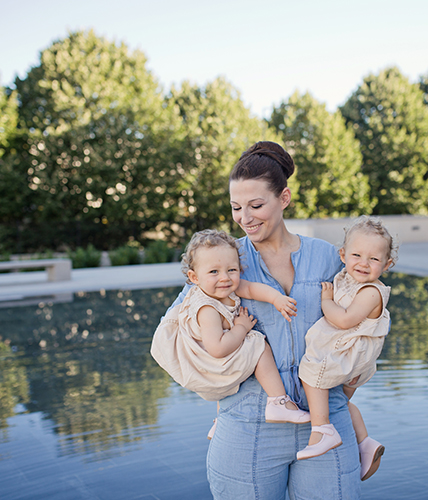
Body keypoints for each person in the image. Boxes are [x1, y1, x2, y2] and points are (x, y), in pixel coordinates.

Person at [163, 141, 361, 499]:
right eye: (236, 207)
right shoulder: (223, 259)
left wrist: (348, 385)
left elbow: (364, 326)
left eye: (256, 205)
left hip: (326, 421)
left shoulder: (328, 257)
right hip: (248, 424)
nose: (245, 217)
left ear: (283, 198)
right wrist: (216, 380)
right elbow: (176, 329)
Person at [150, 229, 311, 428]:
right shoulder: (207, 309)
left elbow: (251, 289)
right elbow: (217, 349)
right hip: (209, 361)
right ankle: (278, 402)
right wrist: (241, 328)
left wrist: (276, 299)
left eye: (231, 270)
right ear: (195, 277)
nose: (225, 277)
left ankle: (220, 419)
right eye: (214, 272)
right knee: (258, 344)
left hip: (217, 354)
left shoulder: (223, 288)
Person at [297, 216, 396, 483]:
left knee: (310, 373)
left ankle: (322, 430)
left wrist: (326, 300)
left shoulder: (371, 292)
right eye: (356, 255)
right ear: (342, 255)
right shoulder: (347, 279)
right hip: (353, 355)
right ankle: (364, 442)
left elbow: (342, 319)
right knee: (340, 400)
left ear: (387, 264)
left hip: (351, 355)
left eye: (374, 259)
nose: (363, 263)